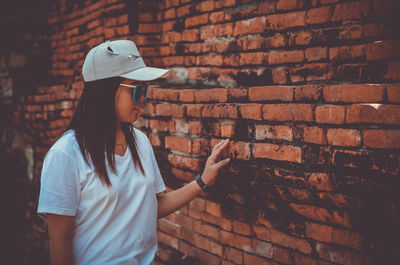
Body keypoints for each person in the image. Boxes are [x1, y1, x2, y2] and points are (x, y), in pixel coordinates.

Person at [37, 39, 230, 265]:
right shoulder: (66, 154)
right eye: (138, 91)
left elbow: (151, 206)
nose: (143, 101)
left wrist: (202, 180)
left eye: (146, 91)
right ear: (106, 90)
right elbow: (60, 238)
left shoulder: (140, 142)